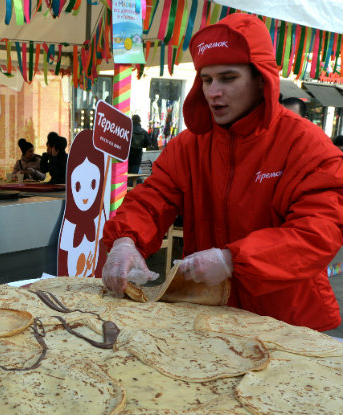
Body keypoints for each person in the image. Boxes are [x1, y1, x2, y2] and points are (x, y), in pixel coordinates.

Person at [101, 13, 343, 332]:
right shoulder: (189, 146)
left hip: (288, 320)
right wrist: (124, 241)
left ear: (261, 79)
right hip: (206, 316)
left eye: (228, 78)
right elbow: (151, 199)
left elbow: (318, 232)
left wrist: (232, 260)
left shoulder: (307, 146)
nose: (214, 91)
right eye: (207, 79)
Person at [128, 115, 150, 186]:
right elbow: (147, 144)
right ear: (139, 121)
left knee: (124, 176)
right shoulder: (144, 132)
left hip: (127, 156)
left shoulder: (128, 130)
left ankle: (122, 192)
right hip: (137, 157)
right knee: (134, 176)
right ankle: (130, 192)